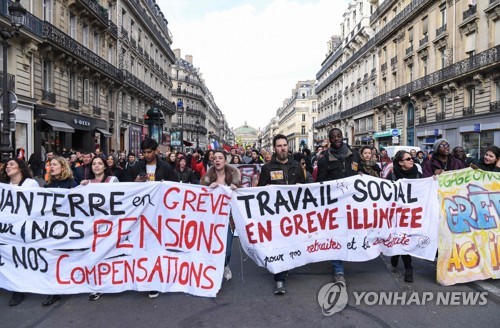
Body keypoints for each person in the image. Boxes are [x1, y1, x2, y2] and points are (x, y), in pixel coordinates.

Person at [124, 138, 177, 298]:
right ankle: (144, 277)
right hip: (141, 215)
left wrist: (164, 185)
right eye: (144, 152)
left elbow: (175, 187)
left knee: (156, 248)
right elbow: (125, 188)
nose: (146, 155)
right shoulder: (136, 167)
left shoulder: (166, 167)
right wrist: (136, 182)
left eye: (149, 152)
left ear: (156, 152)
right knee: (142, 248)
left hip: (160, 214)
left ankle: (155, 281)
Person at [258, 134, 305, 295]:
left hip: (293, 214)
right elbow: (259, 190)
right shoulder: (267, 168)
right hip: (276, 215)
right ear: (274, 148)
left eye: (285, 145)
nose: (283, 148)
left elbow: (306, 188)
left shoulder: (297, 166)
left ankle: (286, 266)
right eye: (279, 146)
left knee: (290, 243)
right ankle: (279, 279)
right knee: (278, 244)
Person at [316, 128, 360, 285]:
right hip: (334, 206)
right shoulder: (324, 160)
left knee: (352, 233)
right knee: (336, 235)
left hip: (354, 203)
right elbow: (319, 184)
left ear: (343, 137)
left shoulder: (354, 154)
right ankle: (338, 269)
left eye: (339, 136)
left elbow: (360, 172)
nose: (336, 139)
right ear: (329, 139)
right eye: (333, 137)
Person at [0, 159, 39, 306]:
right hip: (7, 229)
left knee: (20, 257)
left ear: (20, 169)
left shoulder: (30, 184)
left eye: (11, 164)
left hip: (24, 229)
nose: (8, 167)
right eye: (7, 165)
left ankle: (19, 289)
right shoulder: (4, 186)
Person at [80, 157, 119, 301]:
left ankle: (112, 282)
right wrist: (81, 187)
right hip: (93, 227)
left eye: (99, 164)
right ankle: (97, 286)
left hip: (110, 224)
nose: (96, 166)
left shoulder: (112, 180)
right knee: (95, 256)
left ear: (104, 166)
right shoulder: (87, 183)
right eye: (94, 164)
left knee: (109, 256)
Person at [201, 150, 240, 282]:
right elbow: (200, 196)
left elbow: (241, 195)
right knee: (213, 247)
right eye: (215, 158)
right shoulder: (207, 178)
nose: (217, 160)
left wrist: (236, 189)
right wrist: (207, 188)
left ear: (225, 160)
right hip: (212, 219)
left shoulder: (234, 176)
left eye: (220, 158)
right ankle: (215, 270)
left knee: (227, 249)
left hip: (228, 219)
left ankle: (225, 264)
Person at [43, 156, 77, 306]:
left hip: (67, 226)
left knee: (66, 257)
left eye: (54, 164)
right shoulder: (48, 184)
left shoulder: (71, 184)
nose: (51, 167)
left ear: (63, 167)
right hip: (52, 227)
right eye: (50, 165)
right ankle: (55, 290)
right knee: (53, 258)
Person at [388, 151, 422, 283]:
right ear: (400, 162)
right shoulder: (392, 175)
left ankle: (409, 268)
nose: (411, 160)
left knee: (407, 238)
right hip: (397, 212)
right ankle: (397, 255)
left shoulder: (418, 175)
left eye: (412, 158)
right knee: (399, 237)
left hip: (413, 212)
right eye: (408, 159)